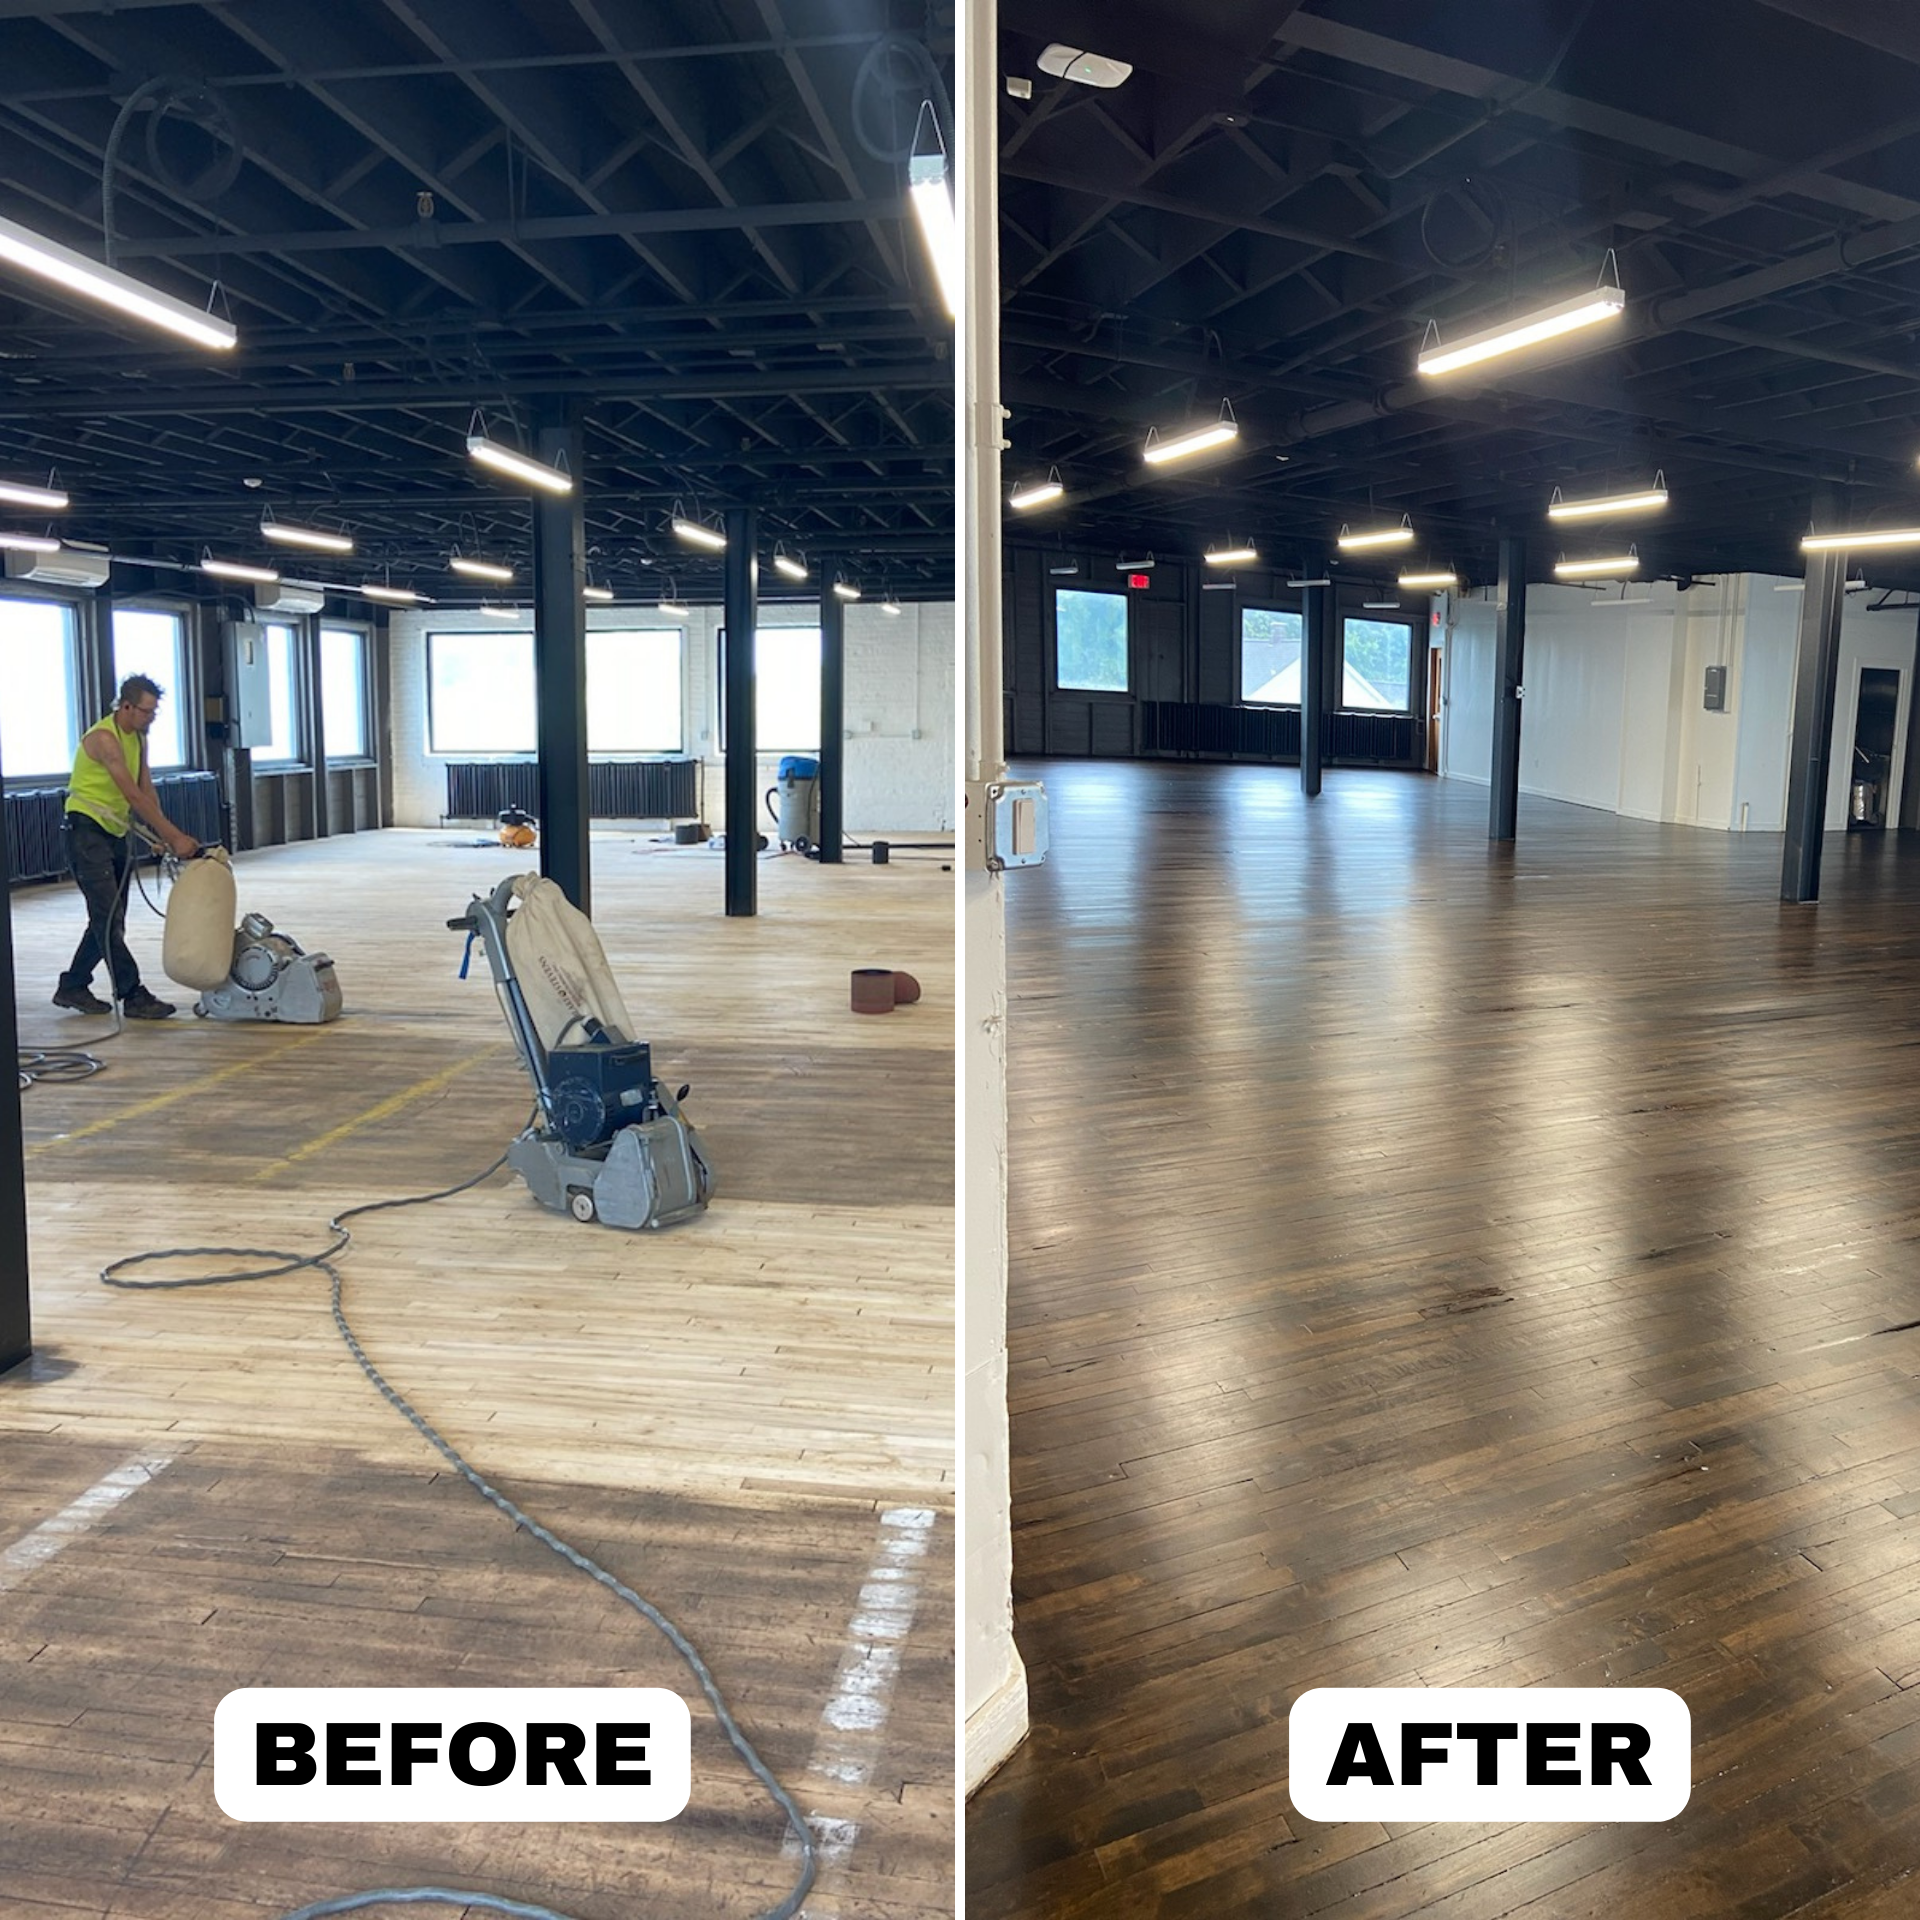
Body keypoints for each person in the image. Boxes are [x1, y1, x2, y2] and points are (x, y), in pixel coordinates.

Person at [53, 674, 201, 1019]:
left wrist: (161, 834)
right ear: (127, 706)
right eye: (146, 712)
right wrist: (176, 836)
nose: (150, 719)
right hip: (86, 832)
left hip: (113, 832)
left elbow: (145, 789)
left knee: (111, 920)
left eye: (154, 713)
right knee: (107, 917)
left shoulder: (138, 738)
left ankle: (73, 986)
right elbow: (130, 794)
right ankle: (132, 994)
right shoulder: (105, 738)